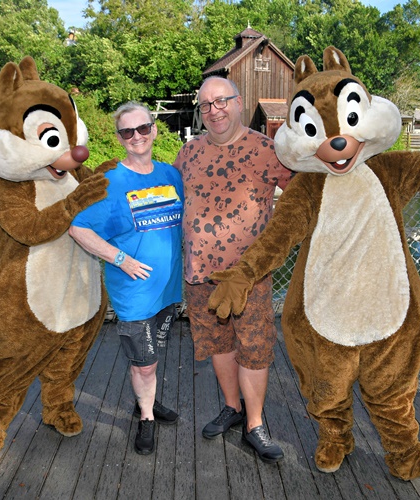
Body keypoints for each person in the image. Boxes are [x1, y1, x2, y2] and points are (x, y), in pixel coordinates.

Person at [173, 77, 292, 463]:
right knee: (218, 345)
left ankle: (255, 425)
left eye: (221, 101)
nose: (214, 110)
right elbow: (165, 200)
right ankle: (231, 407)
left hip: (247, 277)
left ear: (239, 103)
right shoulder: (188, 152)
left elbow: (303, 198)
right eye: (206, 105)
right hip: (199, 275)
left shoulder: (268, 149)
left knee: (254, 349)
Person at [69, 102, 184, 455]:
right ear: (120, 138)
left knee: (151, 357)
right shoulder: (110, 183)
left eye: (143, 128)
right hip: (134, 293)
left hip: (168, 289)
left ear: (154, 130)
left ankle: (144, 400)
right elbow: (78, 228)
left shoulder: (171, 175)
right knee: (145, 364)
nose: (137, 136)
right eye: (127, 131)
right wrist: (120, 259)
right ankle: (146, 417)